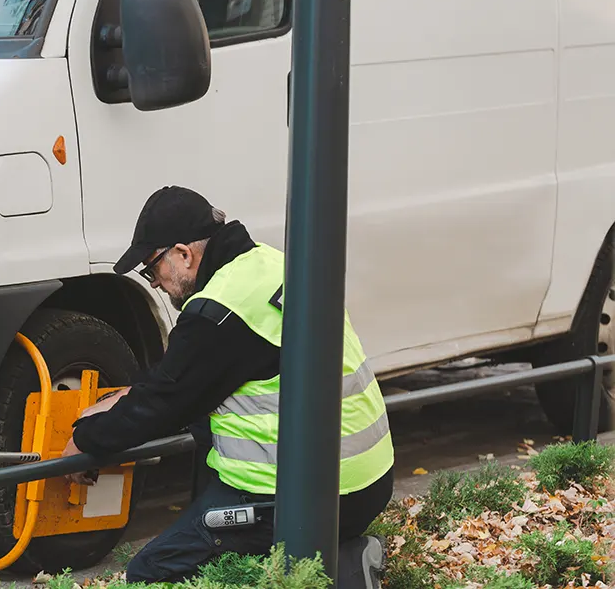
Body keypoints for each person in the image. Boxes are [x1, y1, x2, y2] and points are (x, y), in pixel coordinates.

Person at [61, 186, 394, 586]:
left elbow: (165, 405)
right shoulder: (269, 264)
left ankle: (341, 571)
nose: (155, 284)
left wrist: (86, 441)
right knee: (206, 459)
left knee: (153, 571)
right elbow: (192, 376)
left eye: (152, 270)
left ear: (183, 254)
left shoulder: (218, 311)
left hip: (301, 499)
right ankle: (342, 558)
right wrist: (131, 395)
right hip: (365, 480)